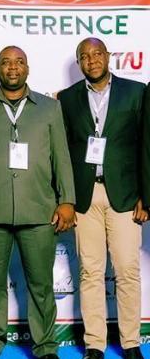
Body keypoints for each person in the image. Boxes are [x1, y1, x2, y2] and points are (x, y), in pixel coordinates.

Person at [0, 46, 76, 359]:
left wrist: (67, 201)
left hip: (39, 210)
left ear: (27, 68)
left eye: (19, 62)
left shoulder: (50, 108)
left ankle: (46, 346)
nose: (12, 68)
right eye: (6, 63)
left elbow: (61, 158)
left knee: (40, 285)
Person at [58, 38, 147, 359]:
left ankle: (131, 342)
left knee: (127, 270)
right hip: (84, 196)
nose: (92, 60)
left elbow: (146, 146)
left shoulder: (136, 93)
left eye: (97, 54)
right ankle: (94, 344)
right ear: (79, 63)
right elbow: (63, 152)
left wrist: (146, 197)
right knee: (90, 272)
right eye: (85, 56)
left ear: (108, 57)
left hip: (125, 195)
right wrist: (65, 198)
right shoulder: (67, 99)